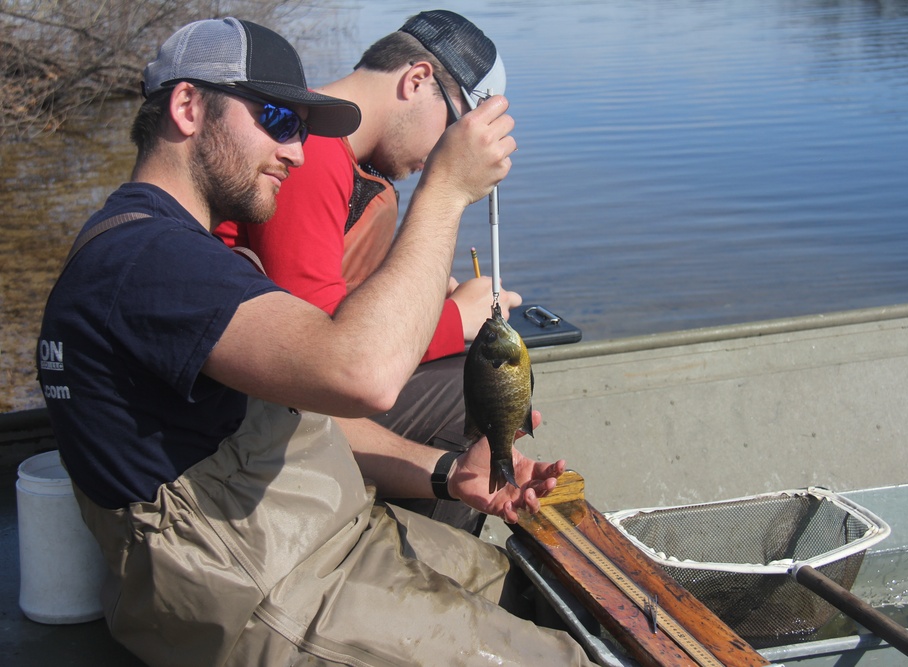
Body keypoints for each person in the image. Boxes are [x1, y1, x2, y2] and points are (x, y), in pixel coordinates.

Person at [35, 17, 597, 667]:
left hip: (330, 537)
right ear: (188, 107)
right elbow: (365, 376)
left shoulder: (182, 255)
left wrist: (447, 473)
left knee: (546, 597)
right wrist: (444, 190)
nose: (297, 152)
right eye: (276, 117)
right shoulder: (147, 259)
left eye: (301, 129)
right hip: (265, 593)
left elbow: (313, 421)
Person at [214, 11, 518, 535]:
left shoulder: (338, 154)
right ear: (416, 79)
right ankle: (415, 561)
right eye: (453, 131)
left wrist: (425, 298)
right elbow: (319, 354)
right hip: (242, 412)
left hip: (273, 382)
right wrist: (451, 319)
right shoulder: (308, 156)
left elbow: (310, 295)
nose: (443, 153)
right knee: (464, 394)